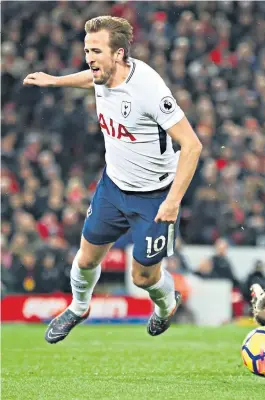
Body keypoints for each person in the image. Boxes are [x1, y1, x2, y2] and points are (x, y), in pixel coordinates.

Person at [23, 16, 202, 342]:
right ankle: (79, 307)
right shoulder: (102, 76)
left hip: (154, 196)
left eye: (96, 51)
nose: (89, 58)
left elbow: (192, 145)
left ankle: (165, 308)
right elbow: (90, 80)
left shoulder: (148, 89)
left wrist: (173, 202)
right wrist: (55, 81)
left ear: (118, 54)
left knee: (144, 278)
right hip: (113, 187)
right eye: (86, 50)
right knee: (86, 257)